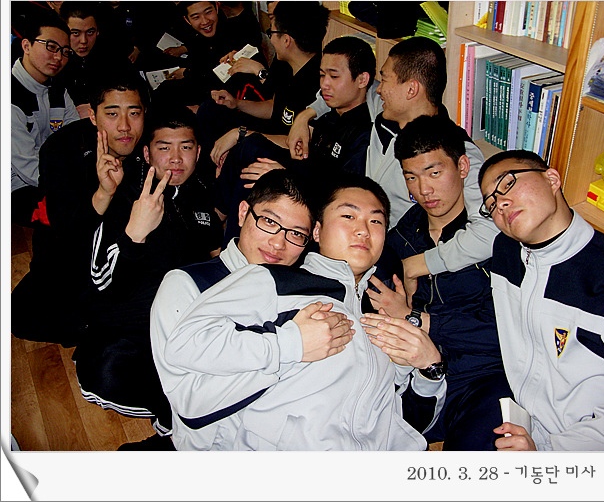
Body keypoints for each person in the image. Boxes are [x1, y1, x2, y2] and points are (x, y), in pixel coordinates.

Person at [159, 172, 446, 450]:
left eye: (376, 221)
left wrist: (430, 370)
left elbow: (401, 424)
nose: (363, 229)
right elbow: (186, 355)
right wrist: (293, 345)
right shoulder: (274, 282)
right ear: (318, 232)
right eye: (348, 216)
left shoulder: (379, 315)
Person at [152, 169, 354, 449]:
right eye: (269, 221)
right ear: (243, 212)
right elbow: (190, 405)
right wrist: (291, 349)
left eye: (296, 234)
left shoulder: (304, 295)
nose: (278, 243)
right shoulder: (186, 284)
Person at [288, 36, 499, 297]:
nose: (379, 89)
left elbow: (490, 231)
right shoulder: (384, 110)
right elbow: (347, 89)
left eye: (385, 80)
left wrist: (420, 264)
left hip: (391, 251)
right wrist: (305, 117)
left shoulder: (456, 152)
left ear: (411, 90)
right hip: (350, 228)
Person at [72, 105, 224, 449]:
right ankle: (174, 421)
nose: (176, 158)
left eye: (186, 147)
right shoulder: (125, 196)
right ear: (146, 153)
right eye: (164, 147)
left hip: (183, 325)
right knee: (106, 372)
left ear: (198, 151)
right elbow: (101, 282)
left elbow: (214, 254)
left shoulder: (199, 194)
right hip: (130, 329)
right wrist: (134, 234)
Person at [361, 115, 512, 450]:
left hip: (484, 378)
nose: (423, 190)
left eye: (434, 173)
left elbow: (505, 333)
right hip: (416, 378)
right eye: (411, 177)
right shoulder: (400, 239)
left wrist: (416, 319)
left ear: (462, 167)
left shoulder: (498, 240)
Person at [478, 150, 604, 451]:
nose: (501, 203)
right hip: (521, 418)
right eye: (491, 204)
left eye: (508, 183)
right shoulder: (506, 252)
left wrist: (549, 452)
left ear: (552, 179)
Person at [11, 73, 149, 346]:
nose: (124, 126)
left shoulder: (150, 145)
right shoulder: (61, 148)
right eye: (112, 114)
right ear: (93, 116)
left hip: (129, 258)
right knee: (22, 316)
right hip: (71, 259)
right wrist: (103, 193)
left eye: (134, 113)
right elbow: (66, 230)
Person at [214, 34, 376, 244]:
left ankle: (228, 241)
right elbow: (300, 149)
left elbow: (342, 194)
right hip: (304, 172)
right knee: (251, 147)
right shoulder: (328, 113)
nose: (325, 85)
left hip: (316, 199)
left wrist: (286, 177)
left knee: (255, 173)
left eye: (334, 77)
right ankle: (214, 223)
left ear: (362, 80)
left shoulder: (365, 133)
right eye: (322, 75)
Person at [207, 1, 329, 165]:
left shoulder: (320, 82)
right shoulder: (287, 66)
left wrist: (242, 134)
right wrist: (236, 103)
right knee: (212, 109)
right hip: (270, 134)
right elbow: (275, 108)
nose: (270, 38)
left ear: (286, 40)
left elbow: (298, 143)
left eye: (271, 32)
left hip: (290, 155)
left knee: (245, 147)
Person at [11, 12, 79, 226]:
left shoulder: (58, 91)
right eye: (51, 47)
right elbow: (28, 168)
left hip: (55, 178)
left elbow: (76, 140)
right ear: (26, 46)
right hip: (17, 187)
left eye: (65, 51)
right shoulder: (10, 97)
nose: (58, 57)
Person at [153, 1, 268, 109]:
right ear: (187, 20)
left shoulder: (237, 30)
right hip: (203, 86)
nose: (205, 21)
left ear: (216, 8)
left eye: (208, 12)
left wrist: (187, 73)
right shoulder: (199, 36)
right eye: (196, 17)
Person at [57, 1, 134, 118]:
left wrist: (97, 107)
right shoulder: (54, 60)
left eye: (90, 32)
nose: (84, 40)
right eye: (75, 33)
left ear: (97, 31)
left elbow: (135, 94)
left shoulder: (115, 58)